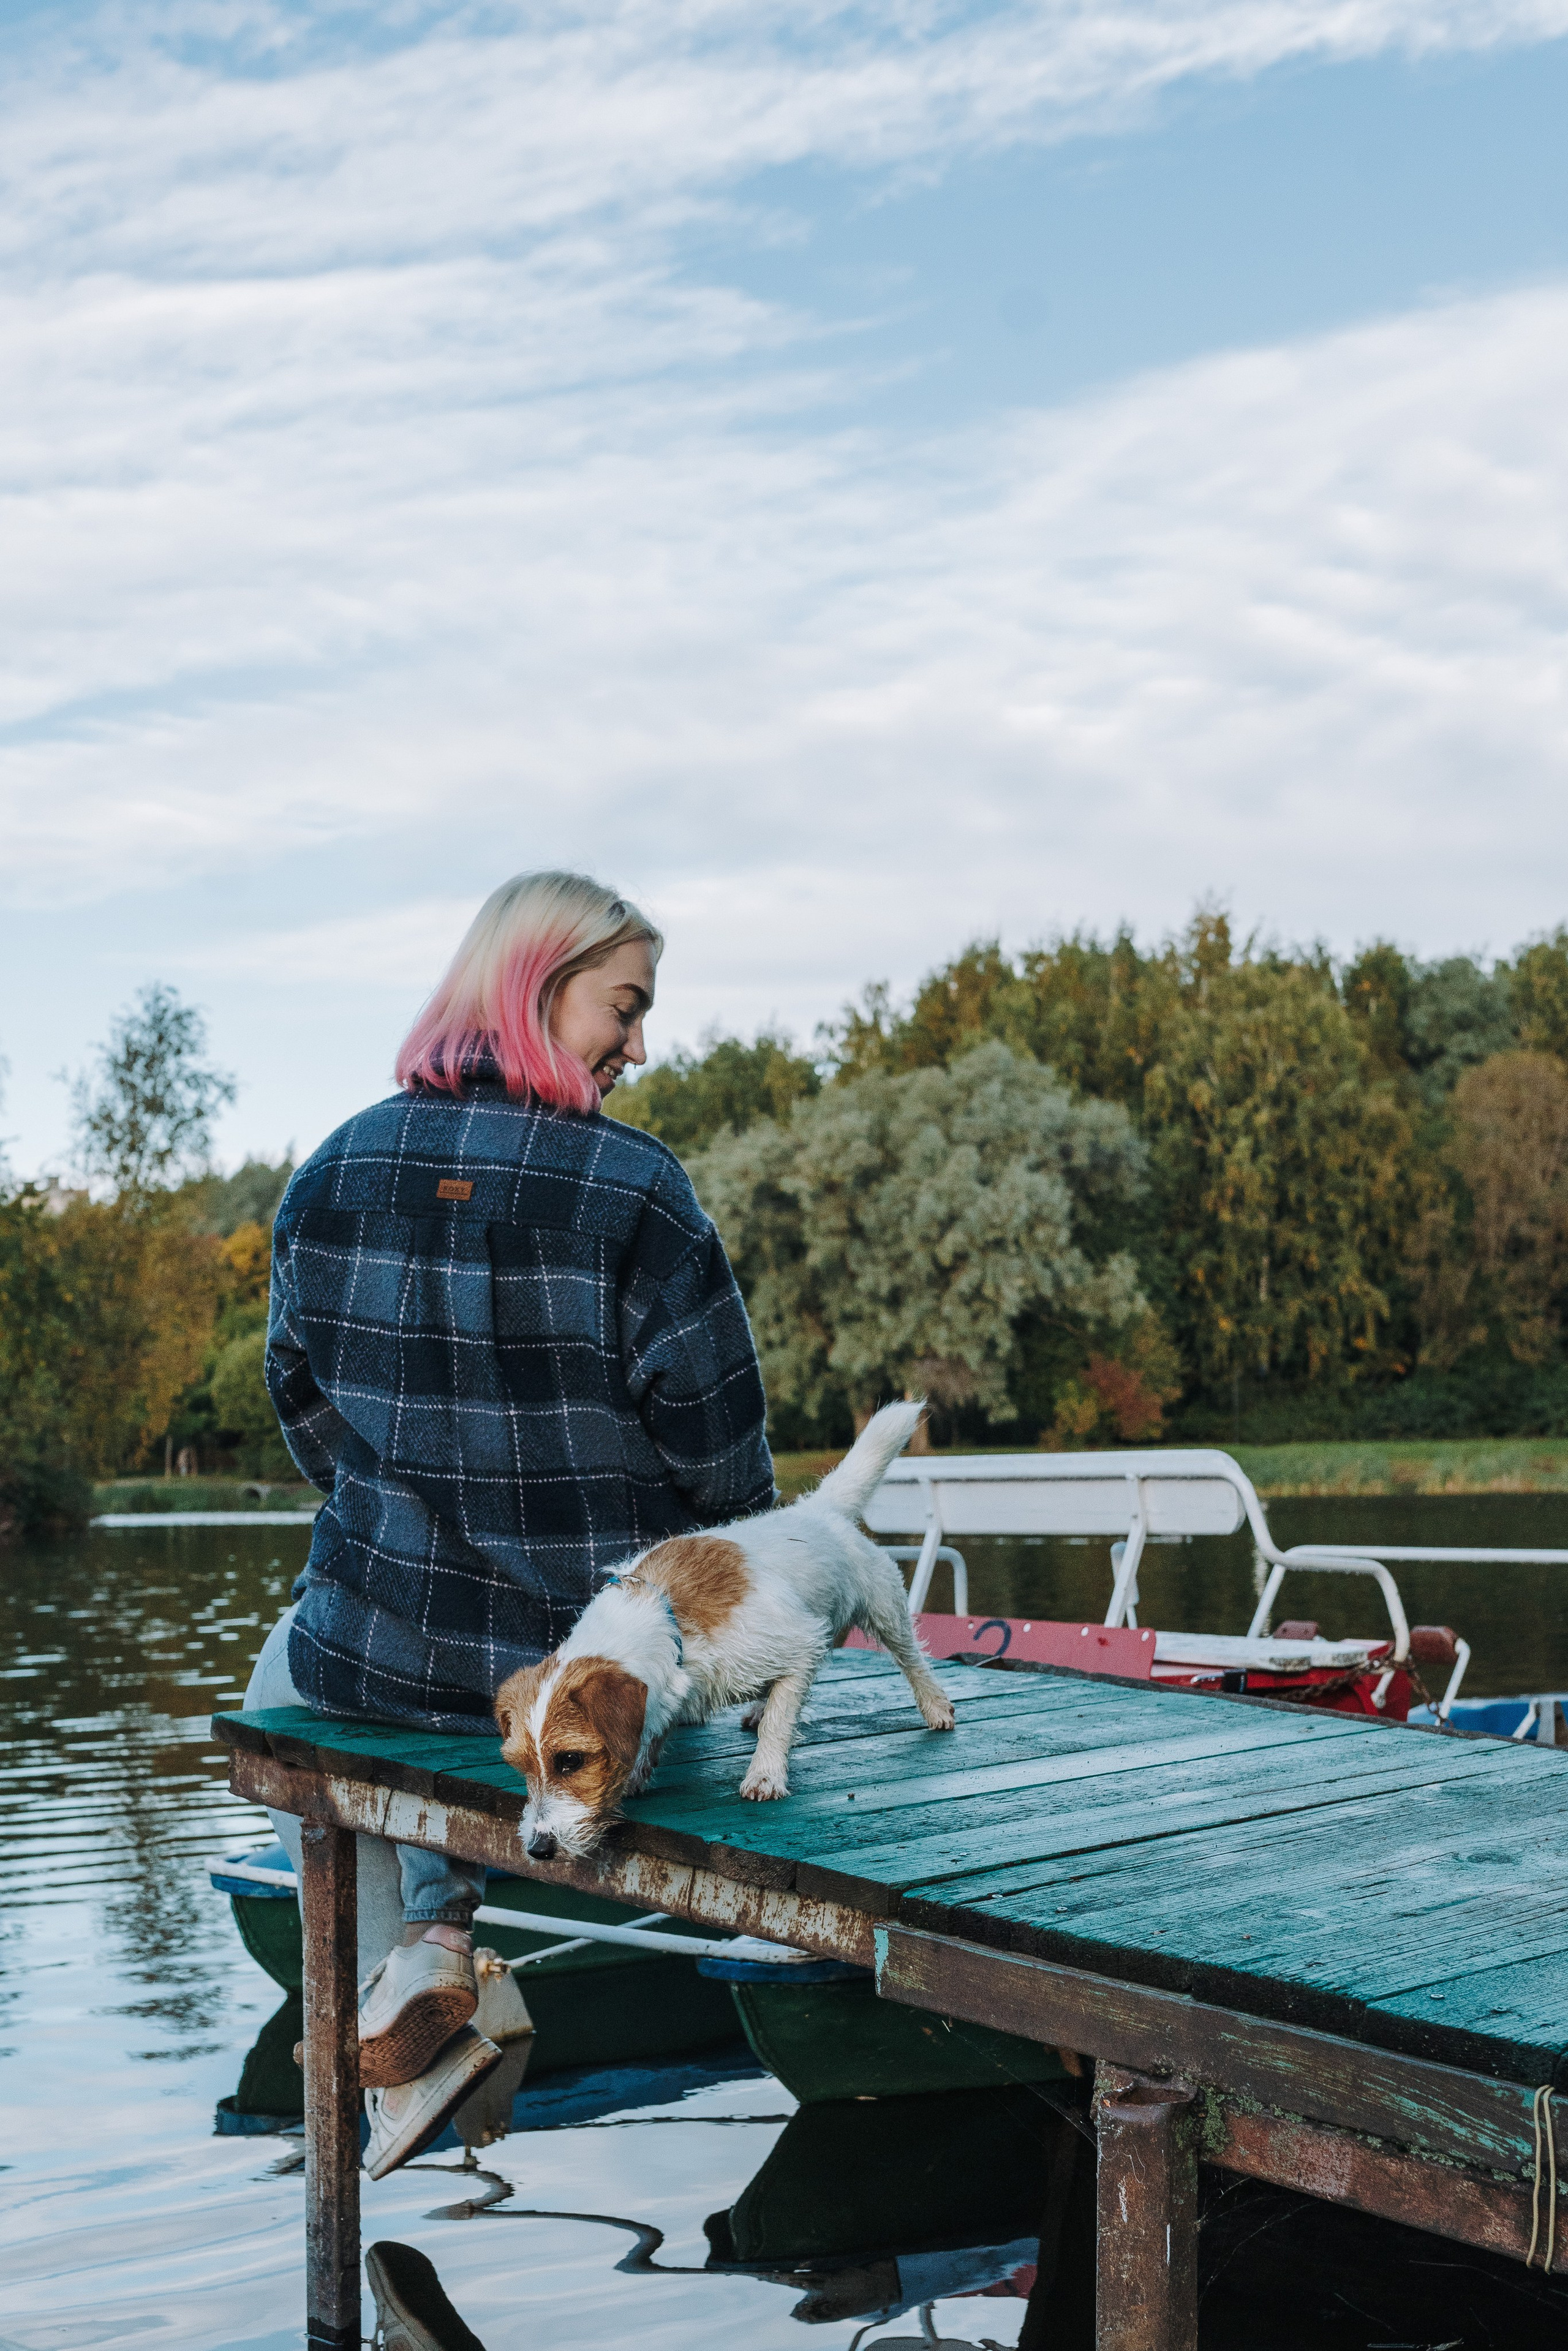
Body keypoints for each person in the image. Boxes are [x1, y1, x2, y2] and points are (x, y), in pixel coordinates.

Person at [246, 870, 774, 2176]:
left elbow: (301, 1407)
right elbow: (725, 1475)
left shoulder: (332, 1170)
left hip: (385, 1653)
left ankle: (417, 1962)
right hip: (586, 1694)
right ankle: (426, 1959)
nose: (641, 1045)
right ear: (539, 985)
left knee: (282, 1701)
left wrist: (403, 1502)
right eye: (626, 1004)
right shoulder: (638, 1193)